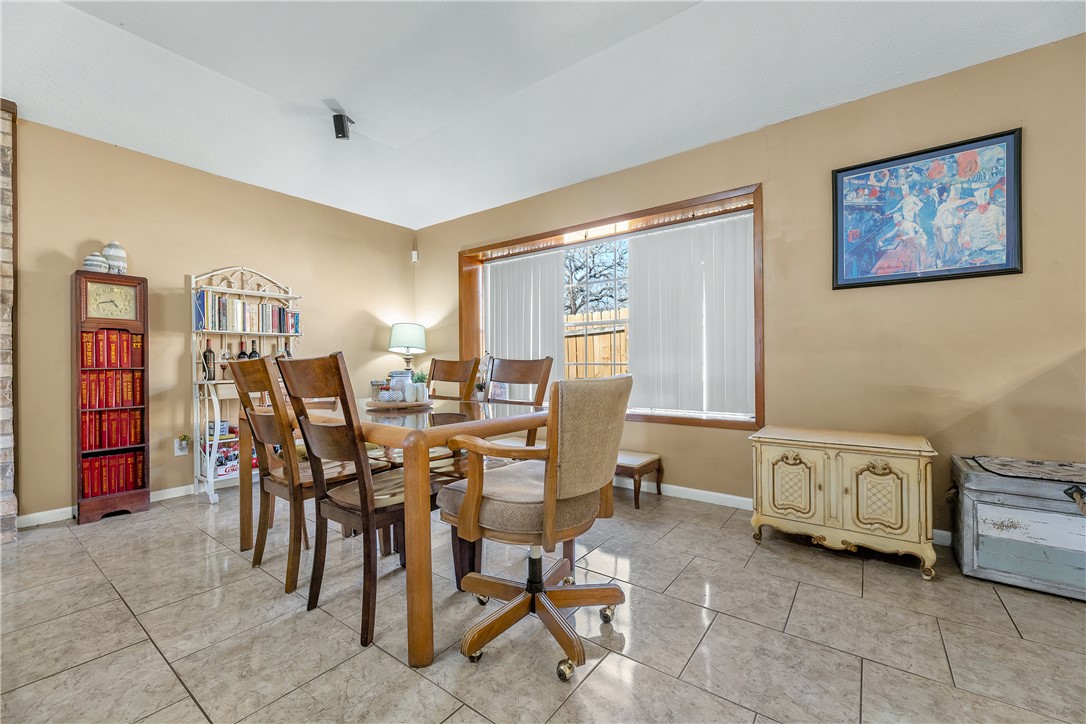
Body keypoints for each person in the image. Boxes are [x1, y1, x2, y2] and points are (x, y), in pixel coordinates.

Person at [959, 187, 1006, 261]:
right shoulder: (971, 217)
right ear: (976, 206)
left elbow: (1003, 224)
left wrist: (1003, 233)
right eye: (979, 207)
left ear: (989, 204)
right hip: (978, 246)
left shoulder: (996, 210)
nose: (982, 210)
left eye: (984, 207)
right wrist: (966, 240)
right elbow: (966, 232)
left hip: (993, 243)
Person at [932, 184, 969, 266]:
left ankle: (953, 260)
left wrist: (961, 214)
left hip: (949, 231)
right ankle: (947, 262)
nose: (957, 199)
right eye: (956, 197)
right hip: (945, 231)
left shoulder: (950, 206)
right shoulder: (945, 206)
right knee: (948, 248)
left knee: (953, 246)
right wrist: (956, 221)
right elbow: (947, 221)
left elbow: (955, 214)